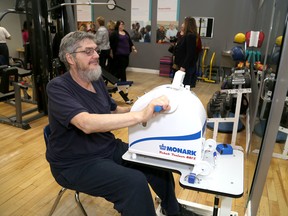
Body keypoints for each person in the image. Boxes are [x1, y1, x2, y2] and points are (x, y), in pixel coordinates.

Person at [46, 31, 197, 216]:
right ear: (70, 58)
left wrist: (145, 106)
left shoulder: (96, 80)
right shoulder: (58, 87)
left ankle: (173, 211)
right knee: (134, 183)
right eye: (88, 51)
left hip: (106, 147)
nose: (95, 56)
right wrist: (141, 115)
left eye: (95, 50)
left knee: (156, 163)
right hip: (74, 163)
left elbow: (112, 111)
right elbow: (86, 123)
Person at [174, 17, 199, 88]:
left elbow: (190, 54)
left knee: (184, 88)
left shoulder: (190, 36)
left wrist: (183, 67)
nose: (182, 25)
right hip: (183, 65)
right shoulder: (185, 36)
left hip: (186, 67)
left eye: (184, 23)